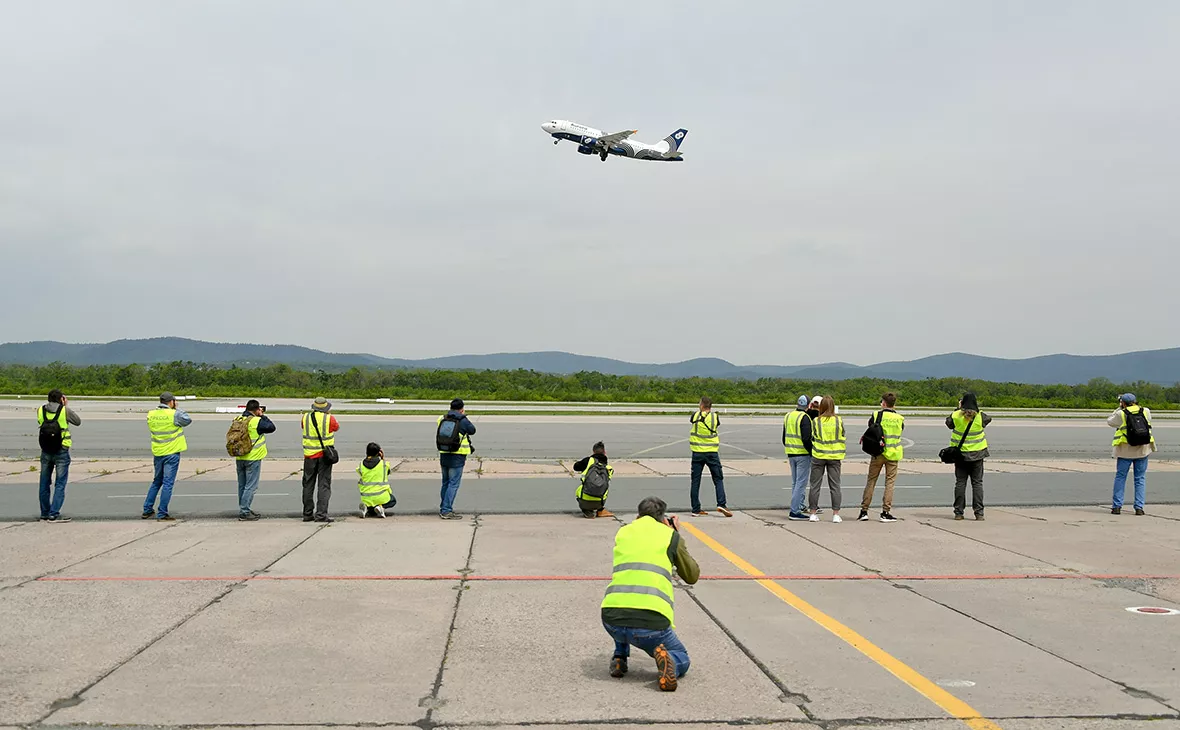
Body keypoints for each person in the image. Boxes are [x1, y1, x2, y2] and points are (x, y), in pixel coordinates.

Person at [601, 496, 700, 692]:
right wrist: (677, 536)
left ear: (638, 516)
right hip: (650, 626)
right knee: (681, 655)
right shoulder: (669, 536)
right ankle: (669, 661)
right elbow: (691, 575)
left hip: (611, 619)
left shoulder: (623, 532)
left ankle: (620, 657)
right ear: (663, 518)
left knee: (626, 597)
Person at [142, 393, 192, 521]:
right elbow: (187, 420)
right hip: (171, 453)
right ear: (171, 402)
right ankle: (162, 512)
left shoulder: (151, 414)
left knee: (156, 481)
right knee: (167, 484)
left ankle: (147, 509)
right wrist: (176, 409)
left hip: (158, 452)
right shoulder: (174, 414)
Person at [36, 389, 81, 522]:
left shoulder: (40, 410)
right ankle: (54, 513)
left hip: (46, 449)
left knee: (44, 483)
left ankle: (44, 512)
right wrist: (65, 406)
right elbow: (78, 421)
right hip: (61, 449)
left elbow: (41, 422)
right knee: (60, 483)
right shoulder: (63, 410)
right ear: (61, 399)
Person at [858, 392, 905, 523]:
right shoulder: (900, 418)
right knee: (889, 484)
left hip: (878, 453)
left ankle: (864, 511)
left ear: (884, 403)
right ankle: (885, 512)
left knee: (871, 481)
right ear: (894, 404)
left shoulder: (876, 415)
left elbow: (870, 429)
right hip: (893, 454)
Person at [1108, 393, 1157, 515]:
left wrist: (1119, 408)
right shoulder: (1145, 411)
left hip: (1125, 450)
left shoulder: (1121, 413)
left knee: (1120, 477)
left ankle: (1117, 506)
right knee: (1140, 478)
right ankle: (1139, 507)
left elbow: (1110, 422)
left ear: (1122, 402)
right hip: (1142, 450)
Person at [946, 392, 991, 521]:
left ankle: (958, 512)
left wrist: (958, 409)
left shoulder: (956, 416)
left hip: (960, 456)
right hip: (978, 454)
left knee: (960, 483)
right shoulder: (981, 416)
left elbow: (949, 423)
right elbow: (988, 419)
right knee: (977, 483)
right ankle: (979, 513)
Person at [689, 397, 731, 517]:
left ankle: (695, 509)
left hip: (697, 453)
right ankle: (721, 504)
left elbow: (692, 420)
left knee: (695, 481)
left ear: (701, 405)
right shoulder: (714, 417)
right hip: (711, 453)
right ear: (710, 406)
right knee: (718, 479)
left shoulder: (695, 415)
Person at [300, 397, 340, 523]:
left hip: (309, 455)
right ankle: (321, 514)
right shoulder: (329, 418)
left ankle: (307, 514)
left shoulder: (305, 417)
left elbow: (303, 427)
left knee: (308, 485)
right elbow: (336, 427)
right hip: (324, 456)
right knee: (324, 485)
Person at [235, 400, 275, 521]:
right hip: (253, 457)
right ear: (257, 409)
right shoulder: (256, 421)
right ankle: (244, 511)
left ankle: (244, 507)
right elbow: (271, 427)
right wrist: (262, 415)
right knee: (251, 486)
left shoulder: (238, 419)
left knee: (242, 485)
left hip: (240, 456)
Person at [437, 398, 476, 520]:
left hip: (444, 452)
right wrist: (463, 416)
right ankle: (446, 510)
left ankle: (443, 507)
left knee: (446, 482)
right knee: (453, 483)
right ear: (462, 408)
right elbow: (472, 430)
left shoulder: (442, 418)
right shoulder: (462, 420)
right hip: (457, 455)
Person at [808, 395, 845, 523]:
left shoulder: (816, 421)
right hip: (835, 456)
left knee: (814, 485)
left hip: (819, 455)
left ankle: (812, 513)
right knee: (835, 486)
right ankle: (835, 514)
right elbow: (842, 434)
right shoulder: (838, 420)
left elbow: (813, 436)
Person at [783, 395, 814, 521]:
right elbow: (806, 438)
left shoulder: (788, 415)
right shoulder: (805, 417)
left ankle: (797, 507)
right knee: (801, 483)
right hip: (802, 454)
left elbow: (784, 437)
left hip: (791, 453)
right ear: (808, 405)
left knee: (795, 482)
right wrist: (811, 452)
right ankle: (795, 511)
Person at [573, 441, 614, 518]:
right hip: (600, 501)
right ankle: (600, 510)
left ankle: (587, 511)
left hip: (585, 500)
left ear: (593, 451)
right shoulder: (609, 468)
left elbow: (575, 467)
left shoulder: (588, 461)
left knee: (579, 489)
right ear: (604, 452)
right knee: (604, 487)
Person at [357, 442, 397, 518]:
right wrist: (382, 458)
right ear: (379, 453)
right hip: (381, 496)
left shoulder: (361, 465)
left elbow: (361, 474)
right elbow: (387, 472)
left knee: (371, 503)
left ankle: (366, 507)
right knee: (392, 500)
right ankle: (380, 507)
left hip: (366, 497)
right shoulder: (384, 464)